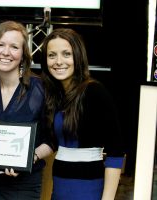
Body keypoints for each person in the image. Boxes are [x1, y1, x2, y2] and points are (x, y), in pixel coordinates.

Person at [40, 28, 125, 200]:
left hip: (88, 188)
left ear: (78, 56)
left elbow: (116, 152)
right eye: (51, 55)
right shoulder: (55, 94)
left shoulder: (95, 92)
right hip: (60, 186)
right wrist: (25, 158)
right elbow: (54, 142)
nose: (58, 61)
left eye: (66, 54)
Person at [0, 20, 53, 200]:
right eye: (0, 44)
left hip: (25, 186)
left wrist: (28, 158)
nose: (6, 52)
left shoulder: (39, 89)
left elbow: (51, 140)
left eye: (14, 47)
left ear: (24, 55)